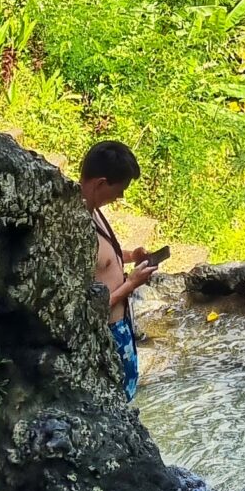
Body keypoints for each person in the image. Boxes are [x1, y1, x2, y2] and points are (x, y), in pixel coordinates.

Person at [78, 140, 156, 401]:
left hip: (122, 324)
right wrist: (130, 285)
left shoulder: (94, 212)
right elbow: (89, 308)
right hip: (108, 332)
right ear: (100, 183)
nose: (120, 197)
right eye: (119, 190)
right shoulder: (75, 228)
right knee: (118, 399)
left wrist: (132, 256)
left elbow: (105, 259)